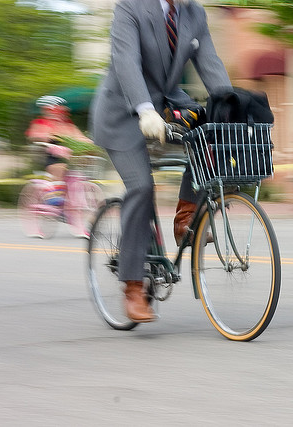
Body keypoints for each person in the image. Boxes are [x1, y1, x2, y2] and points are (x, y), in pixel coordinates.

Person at [90, 0, 232, 322]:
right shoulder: (130, 6)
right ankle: (133, 286)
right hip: (122, 111)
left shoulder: (194, 13)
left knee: (209, 133)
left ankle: (185, 217)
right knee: (141, 187)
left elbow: (210, 63)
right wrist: (144, 109)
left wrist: (231, 107)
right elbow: (126, 60)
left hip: (166, 105)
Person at [26, 96, 93, 205]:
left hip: (64, 155)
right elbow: (34, 135)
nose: (59, 113)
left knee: (74, 173)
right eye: (56, 110)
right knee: (58, 167)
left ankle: (67, 202)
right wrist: (45, 137)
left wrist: (91, 142)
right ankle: (52, 196)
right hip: (46, 153)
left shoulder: (66, 124)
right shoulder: (41, 122)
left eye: (61, 111)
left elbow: (78, 136)